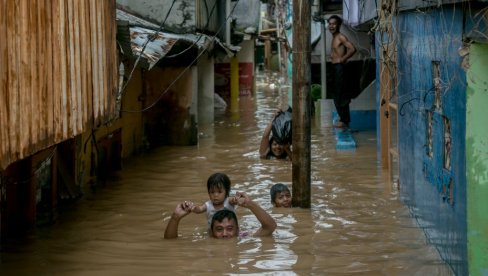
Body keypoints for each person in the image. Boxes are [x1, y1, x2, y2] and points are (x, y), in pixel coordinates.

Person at [164, 191, 277, 239]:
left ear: (238, 230)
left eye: (229, 229)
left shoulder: (242, 236)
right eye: (219, 229)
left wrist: (250, 204)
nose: (224, 234)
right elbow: (171, 242)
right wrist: (175, 218)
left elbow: (270, 227)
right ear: (211, 232)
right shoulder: (207, 238)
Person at [328, 15, 356, 128]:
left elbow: (353, 48)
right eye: (330, 24)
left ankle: (345, 121)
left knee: (341, 95)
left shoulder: (340, 37)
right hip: (335, 68)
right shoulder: (334, 37)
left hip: (340, 68)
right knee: (336, 94)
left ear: (338, 25)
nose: (331, 26)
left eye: (333, 24)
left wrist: (343, 59)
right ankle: (343, 119)